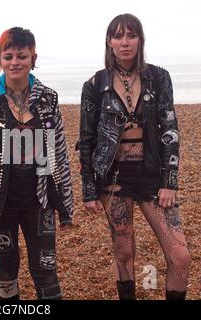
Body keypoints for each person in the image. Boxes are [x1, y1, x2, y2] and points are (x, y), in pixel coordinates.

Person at [79, 14, 190, 300]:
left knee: (180, 255)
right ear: (109, 42)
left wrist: (170, 182)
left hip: (152, 175)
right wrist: (88, 190)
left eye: (131, 35)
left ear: (140, 40)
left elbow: (170, 131)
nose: (125, 42)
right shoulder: (95, 84)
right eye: (118, 36)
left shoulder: (158, 77)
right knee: (123, 251)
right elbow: (87, 140)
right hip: (113, 177)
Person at [0, 27, 74, 300]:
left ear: (33, 58)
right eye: (9, 56)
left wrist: (67, 206)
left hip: (41, 200)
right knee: (5, 268)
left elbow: (59, 152)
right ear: (0, 59)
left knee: (45, 269)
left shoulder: (49, 98)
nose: (15, 62)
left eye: (22, 56)